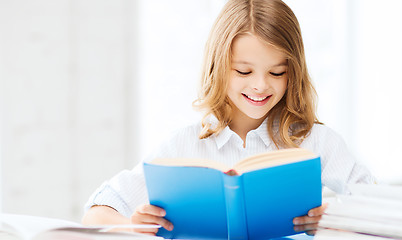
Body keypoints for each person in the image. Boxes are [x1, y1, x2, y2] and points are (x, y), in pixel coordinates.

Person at [82, 0, 375, 237]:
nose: (260, 85)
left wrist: (338, 218)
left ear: (293, 73)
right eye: (244, 72)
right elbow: (96, 213)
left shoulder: (318, 143)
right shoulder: (184, 145)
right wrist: (135, 228)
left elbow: (384, 212)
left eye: (276, 72)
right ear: (218, 67)